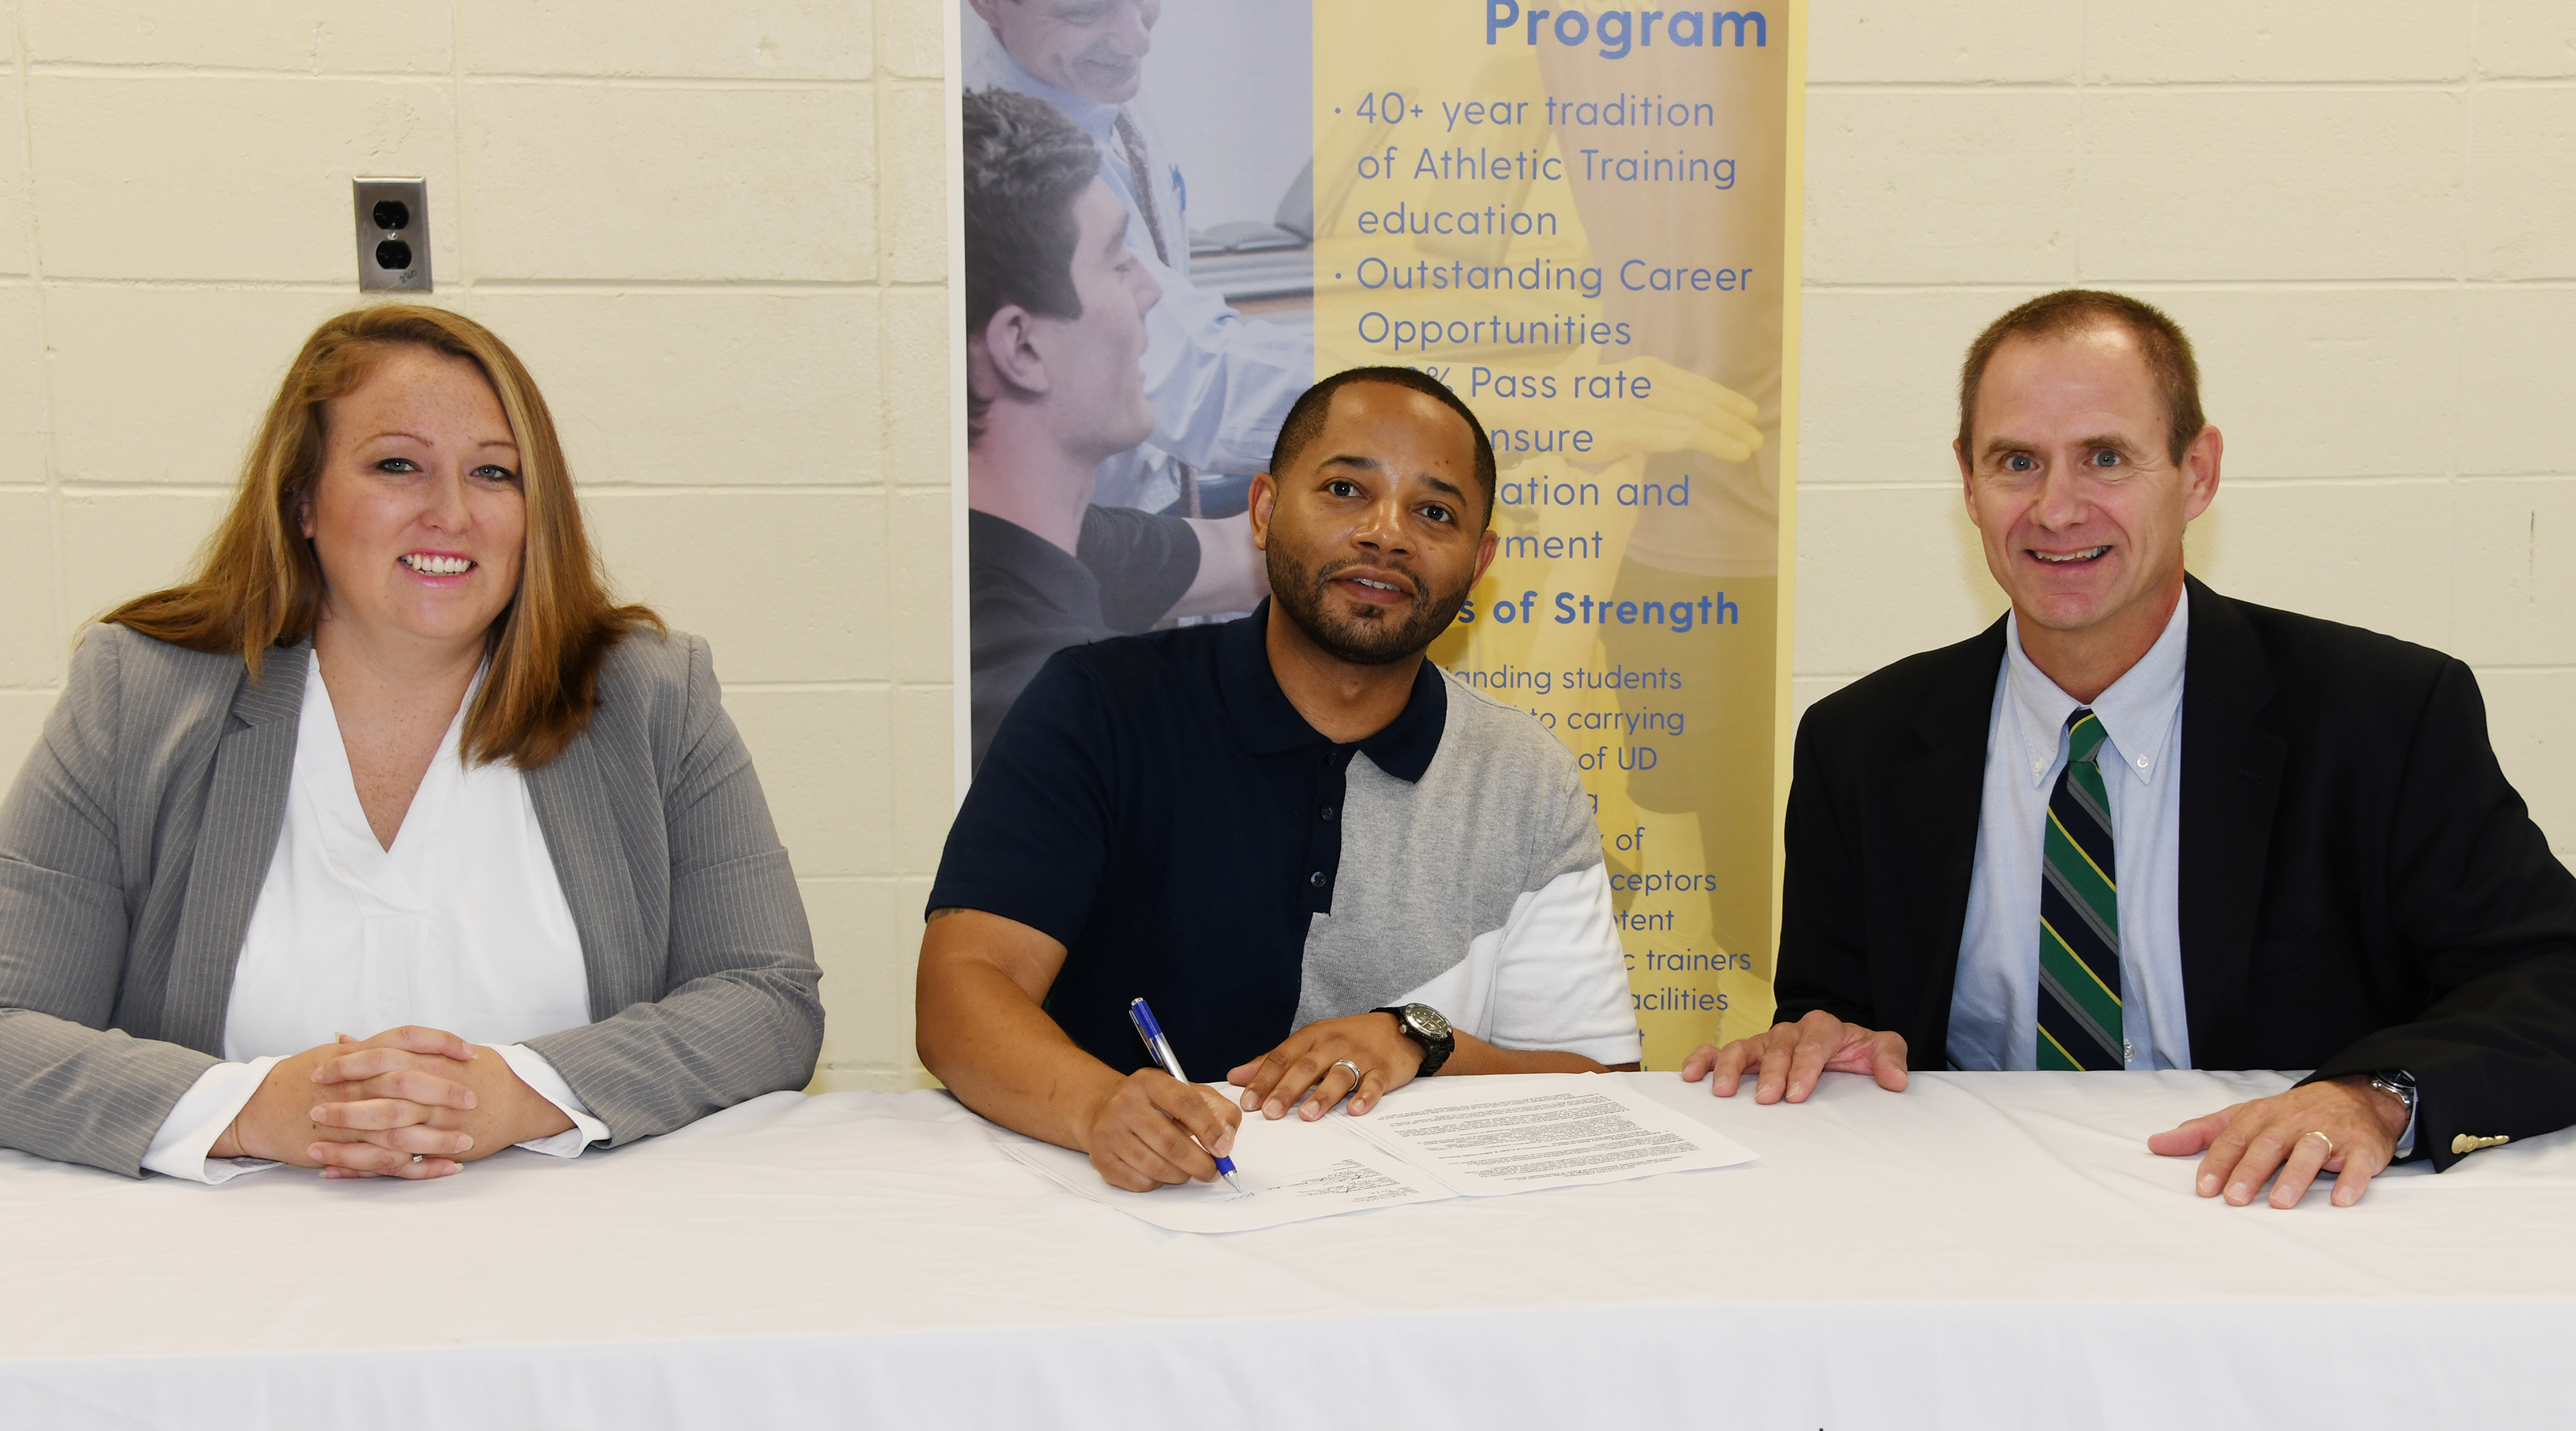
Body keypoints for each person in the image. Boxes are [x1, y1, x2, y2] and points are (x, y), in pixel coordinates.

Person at [1680, 290, 2576, 1210]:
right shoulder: (1859, 745)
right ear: (1967, 481)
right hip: (1969, 1224)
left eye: (2105, 458)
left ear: (2198, 472)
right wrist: (1825, 1042)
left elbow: (2552, 979)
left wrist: (2375, 1097)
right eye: (2016, 462)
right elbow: (1838, 1019)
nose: (2057, 508)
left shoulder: (2382, 717)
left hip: (2275, 1220)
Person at [0, 305, 822, 1182]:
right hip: (222, 1281)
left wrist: (520, 1092)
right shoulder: (142, 691)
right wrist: (250, 1108)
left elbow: (767, 999)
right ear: (304, 500)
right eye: (398, 465)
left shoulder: (650, 697)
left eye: (495, 473)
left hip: (579, 1269)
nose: (453, 513)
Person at [917, 367, 1642, 1192]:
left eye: (1433, 512)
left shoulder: (1524, 773)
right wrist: (1097, 1107)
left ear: (1478, 563)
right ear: (1263, 510)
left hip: (1411, 1253)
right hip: (1125, 1221)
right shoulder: (1097, 705)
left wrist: (1421, 1041)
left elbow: (1602, 1089)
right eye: (1344, 489)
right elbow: (961, 990)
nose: (1387, 533)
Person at [964, 86, 1265, 768]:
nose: (1150, 291)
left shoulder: (1036, 547)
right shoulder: (1069, 712)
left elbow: (1232, 554)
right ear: (1024, 348)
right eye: (1117, 261)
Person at [964, 0, 1312, 515]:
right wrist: (1417, 399)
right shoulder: (1006, 165)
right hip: (1100, 528)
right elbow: (1190, 383)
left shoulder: (1090, 78)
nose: (1137, 39)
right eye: (1086, 11)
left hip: (1160, 481)